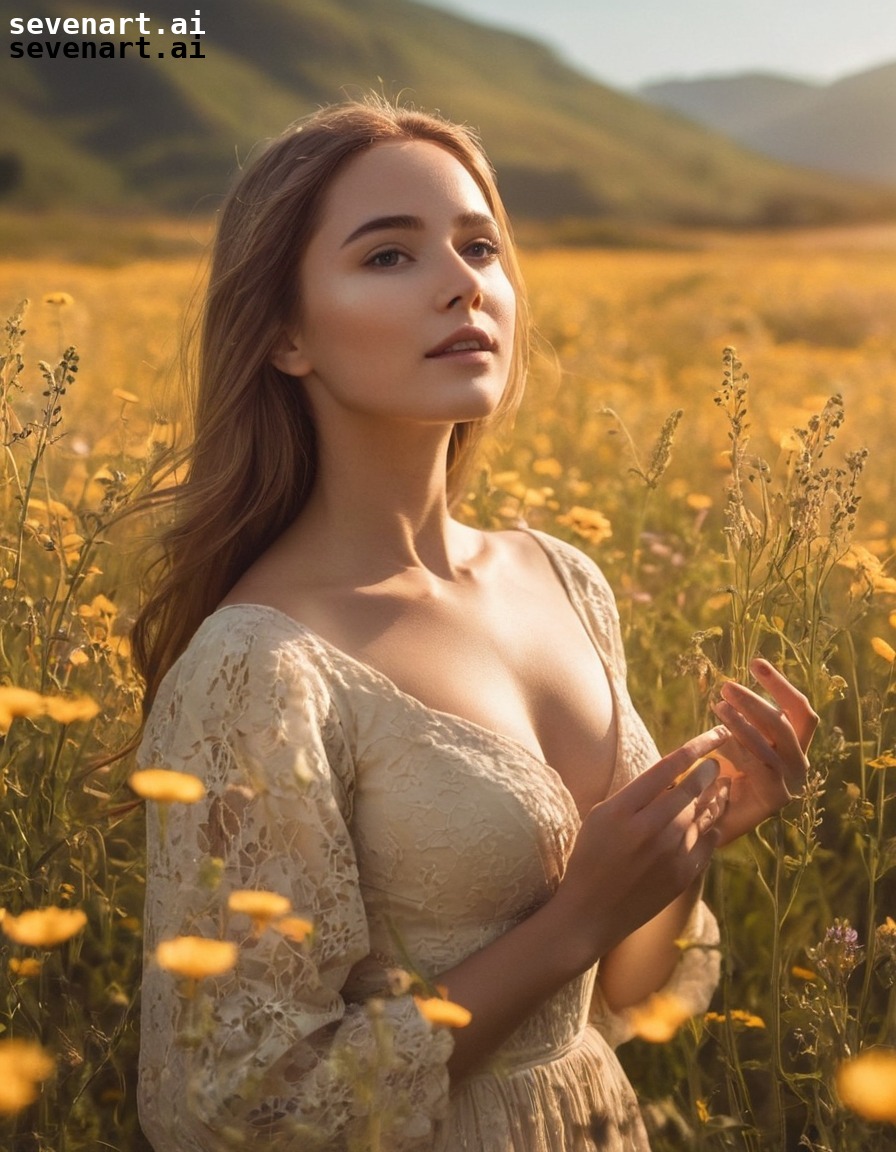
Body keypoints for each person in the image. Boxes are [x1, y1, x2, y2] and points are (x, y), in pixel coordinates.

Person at [133, 96, 817, 1152]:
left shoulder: (561, 577)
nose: (463, 282)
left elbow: (624, 999)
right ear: (284, 334)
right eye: (389, 257)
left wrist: (685, 850)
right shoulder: (261, 668)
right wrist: (575, 918)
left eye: (480, 245)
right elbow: (234, 1110)